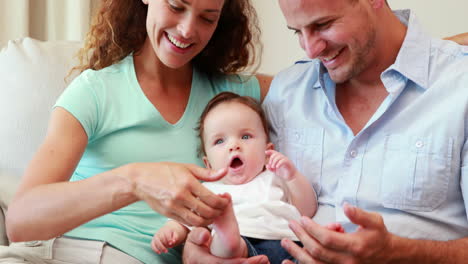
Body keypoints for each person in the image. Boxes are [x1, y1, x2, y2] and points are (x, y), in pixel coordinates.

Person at [182, 0, 468, 263]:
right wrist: (198, 251)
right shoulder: (287, 93)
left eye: (322, 25)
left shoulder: (458, 86)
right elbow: (243, 191)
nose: (311, 49)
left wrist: (398, 253)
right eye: (297, 32)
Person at [2, 0, 272, 263]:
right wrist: (134, 181)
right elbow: (20, 220)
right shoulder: (95, 91)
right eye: (176, 6)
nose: (188, 30)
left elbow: (308, 83)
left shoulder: (230, 98)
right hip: (61, 251)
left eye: (207, 18)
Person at [152, 92, 317, 263]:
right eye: (220, 141)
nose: (234, 146)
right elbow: (185, 218)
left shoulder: (274, 176)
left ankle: (226, 238)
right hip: (241, 246)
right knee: (217, 244)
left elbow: (306, 209)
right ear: (208, 165)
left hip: (286, 243)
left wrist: (292, 176)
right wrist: (172, 231)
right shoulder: (208, 191)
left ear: (267, 151)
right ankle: (227, 236)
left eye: (246, 136)